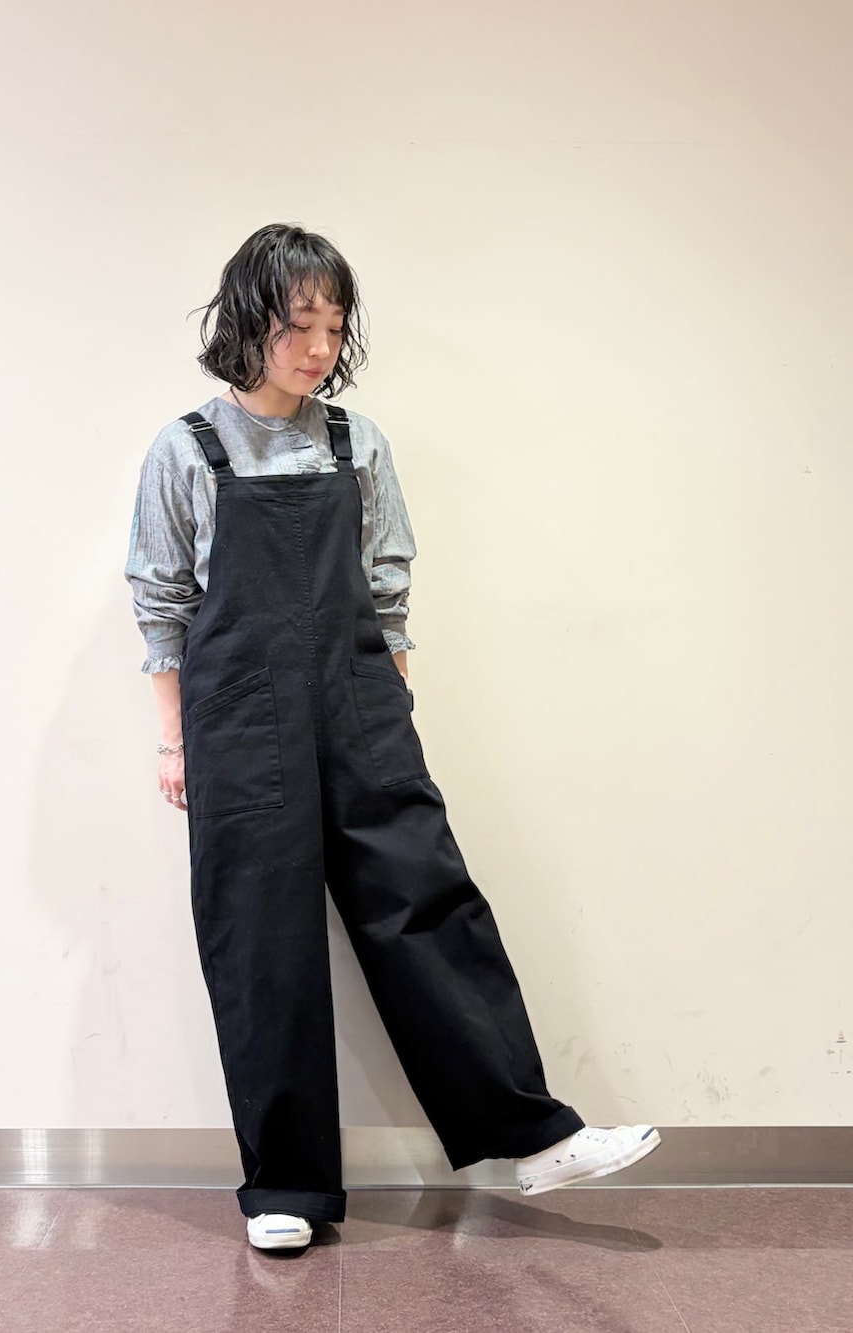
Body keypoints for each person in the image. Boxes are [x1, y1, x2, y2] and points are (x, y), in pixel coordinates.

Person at [124, 223, 660, 1252]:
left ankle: (534, 1135)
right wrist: (173, 742)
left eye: (334, 326)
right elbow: (161, 604)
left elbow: (387, 583)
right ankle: (285, 1188)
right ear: (250, 321)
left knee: (427, 903)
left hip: (359, 703)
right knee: (261, 943)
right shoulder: (184, 448)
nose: (319, 347)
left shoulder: (354, 443)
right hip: (236, 720)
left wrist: (387, 702)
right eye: (298, 324)